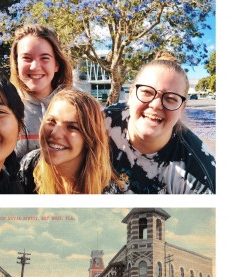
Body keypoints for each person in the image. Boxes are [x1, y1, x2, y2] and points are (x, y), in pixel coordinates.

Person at [105, 50, 216, 194]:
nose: (156, 105)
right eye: (147, 92)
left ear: (182, 108)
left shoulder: (200, 176)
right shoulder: (101, 123)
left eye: (170, 98)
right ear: (131, 95)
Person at [18, 89, 126, 194]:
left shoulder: (111, 193)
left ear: (90, 138)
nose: (55, 133)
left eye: (72, 127)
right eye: (51, 121)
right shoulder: (29, 165)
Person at [10, 24, 73, 159]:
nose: (35, 66)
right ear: (16, 63)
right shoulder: (5, 108)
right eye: (27, 58)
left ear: (56, 65)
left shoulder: (77, 107)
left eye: (45, 58)